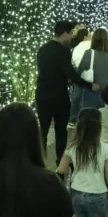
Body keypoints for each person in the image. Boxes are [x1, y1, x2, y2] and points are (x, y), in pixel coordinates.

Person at [37, 21, 97, 165]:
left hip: (42, 95)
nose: (71, 38)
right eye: (70, 34)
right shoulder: (63, 51)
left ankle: (40, 162)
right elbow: (70, 73)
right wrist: (89, 85)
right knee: (60, 131)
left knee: (43, 131)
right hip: (59, 97)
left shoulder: (42, 49)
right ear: (63, 34)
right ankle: (61, 164)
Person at [77, 28, 108, 111]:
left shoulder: (89, 53)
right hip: (106, 95)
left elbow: (79, 72)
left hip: (90, 93)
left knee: (88, 119)